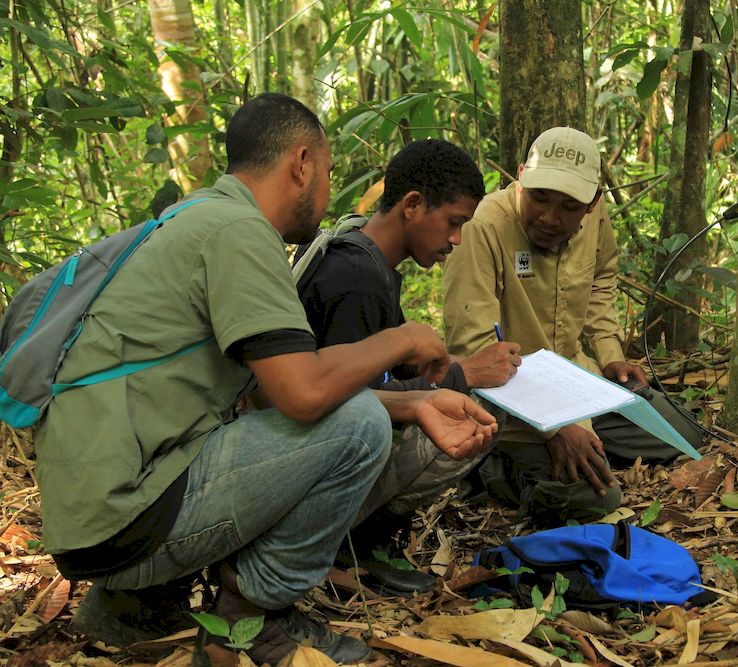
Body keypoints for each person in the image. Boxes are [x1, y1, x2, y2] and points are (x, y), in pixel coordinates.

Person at [39, 93, 497, 664]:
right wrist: (402, 337)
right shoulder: (238, 231)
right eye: (328, 174)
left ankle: (136, 607)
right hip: (126, 516)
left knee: (349, 414)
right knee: (357, 427)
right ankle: (248, 620)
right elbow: (306, 398)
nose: (329, 193)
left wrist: (414, 405)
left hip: (97, 511)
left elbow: (263, 392)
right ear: (301, 163)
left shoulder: (197, 216)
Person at [442, 126, 702, 525]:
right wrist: (556, 428)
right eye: (539, 198)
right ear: (521, 177)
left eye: (568, 206)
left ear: (593, 201)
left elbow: (601, 277)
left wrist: (611, 354)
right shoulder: (483, 228)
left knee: (683, 434)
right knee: (597, 498)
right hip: (508, 405)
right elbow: (475, 348)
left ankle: (584, 444)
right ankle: (490, 470)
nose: (549, 217)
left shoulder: (594, 217)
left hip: (577, 384)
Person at [294, 139, 521, 579]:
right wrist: (463, 374)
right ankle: (345, 542)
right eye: (453, 223)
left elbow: (390, 369)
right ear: (413, 205)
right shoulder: (356, 278)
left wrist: (463, 362)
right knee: (480, 418)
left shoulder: (364, 258)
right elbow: (344, 402)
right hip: (312, 468)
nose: (456, 240)